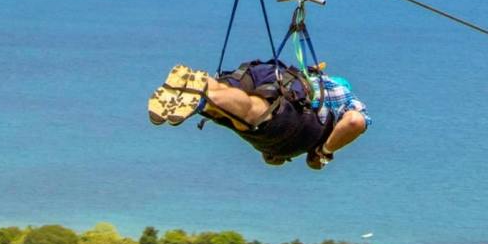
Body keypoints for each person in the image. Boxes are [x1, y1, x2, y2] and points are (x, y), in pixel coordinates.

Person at [148, 60, 368, 169]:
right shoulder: (347, 99)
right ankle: (203, 94)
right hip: (294, 109)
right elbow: (355, 122)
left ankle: (202, 87)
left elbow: (272, 160)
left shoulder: (312, 76)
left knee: (229, 108)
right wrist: (323, 152)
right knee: (254, 117)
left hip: (270, 74)